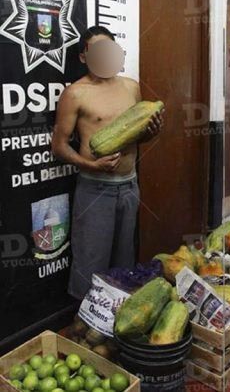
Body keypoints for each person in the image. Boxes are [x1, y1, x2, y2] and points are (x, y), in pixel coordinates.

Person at [52, 26, 163, 300]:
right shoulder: (75, 94)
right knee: (90, 263)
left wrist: (152, 132)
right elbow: (59, 146)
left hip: (129, 188)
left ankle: (114, 325)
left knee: (123, 262)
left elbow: (139, 135)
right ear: (83, 57)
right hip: (95, 190)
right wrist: (90, 165)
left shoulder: (132, 87)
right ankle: (84, 330)